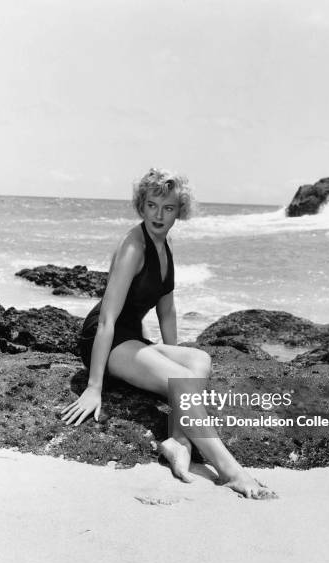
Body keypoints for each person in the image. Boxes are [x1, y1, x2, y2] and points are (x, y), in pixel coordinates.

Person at [60, 168, 275, 499]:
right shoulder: (134, 247)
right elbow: (106, 318)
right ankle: (231, 471)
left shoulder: (165, 246)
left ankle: (177, 439)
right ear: (141, 206)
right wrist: (93, 387)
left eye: (168, 207)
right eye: (152, 205)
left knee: (199, 360)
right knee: (184, 380)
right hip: (106, 339)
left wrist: (174, 372)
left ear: (180, 210)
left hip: (133, 338)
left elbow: (167, 310)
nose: (159, 215)